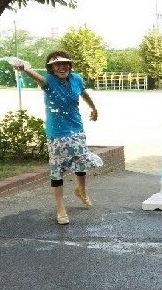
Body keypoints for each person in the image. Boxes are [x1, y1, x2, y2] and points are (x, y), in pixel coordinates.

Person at [13, 51, 103, 225]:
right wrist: (25, 69)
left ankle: (81, 191)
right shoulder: (49, 81)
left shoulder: (76, 79)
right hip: (56, 133)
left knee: (80, 161)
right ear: (51, 68)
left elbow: (84, 94)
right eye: (57, 65)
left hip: (76, 128)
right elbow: (38, 78)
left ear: (69, 65)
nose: (62, 67)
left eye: (65, 64)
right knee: (57, 169)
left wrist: (94, 108)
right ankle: (60, 207)